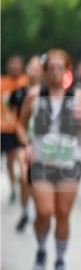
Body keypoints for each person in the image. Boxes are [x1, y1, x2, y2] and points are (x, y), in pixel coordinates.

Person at [16, 49, 81, 270]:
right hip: (42, 162)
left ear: (68, 70)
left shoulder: (77, 96)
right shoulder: (35, 96)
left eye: (60, 67)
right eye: (52, 68)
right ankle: (40, 249)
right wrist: (27, 144)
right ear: (46, 71)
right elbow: (20, 124)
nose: (56, 72)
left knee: (63, 213)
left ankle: (59, 258)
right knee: (45, 211)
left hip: (69, 163)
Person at [10, 57, 42, 231]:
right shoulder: (20, 92)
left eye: (38, 67)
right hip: (22, 140)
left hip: (43, 144)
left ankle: (39, 211)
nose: (34, 70)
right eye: (31, 66)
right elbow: (14, 115)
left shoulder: (49, 92)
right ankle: (24, 211)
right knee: (24, 176)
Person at [2, 55, 27, 204]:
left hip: (20, 128)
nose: (15, 68)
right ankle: (12, 187)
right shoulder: (2, 83)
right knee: (9, 160)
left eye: (17, 65)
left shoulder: (25, 82)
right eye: (12, 65)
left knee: (20, 158)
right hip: (4, 128)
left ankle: (21, 179)